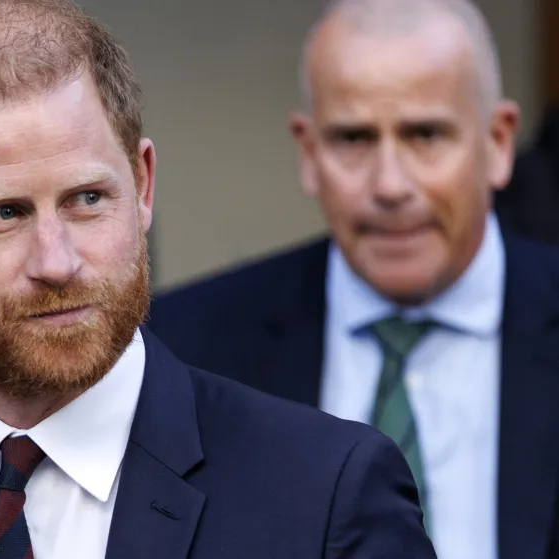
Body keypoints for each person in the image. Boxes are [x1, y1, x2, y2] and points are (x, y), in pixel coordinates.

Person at [0, 0, 436, 557]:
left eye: (88, 199)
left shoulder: (322, 492)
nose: (57, 261)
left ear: (143, 184)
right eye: (5, 213)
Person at [147, 1, 559, 558]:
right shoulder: (185, 350)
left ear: (498, 142)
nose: (389, 185)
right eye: (354, 139)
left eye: (426, 135)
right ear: (308, 152)